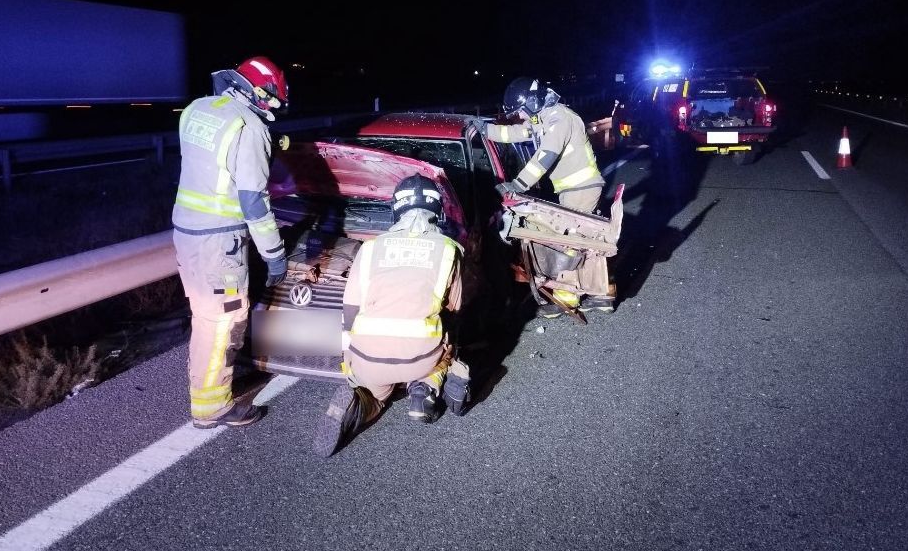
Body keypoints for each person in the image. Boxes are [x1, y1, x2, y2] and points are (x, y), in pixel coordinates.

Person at [313, 174, 470, 457]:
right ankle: (424, 389)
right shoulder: (449, 250)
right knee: (446, 346)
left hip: (368, 356)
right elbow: (455, 309)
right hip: (420, 357)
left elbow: (350, 308)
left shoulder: (370, 248)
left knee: (375, 396)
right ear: (437, 209)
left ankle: (358, 405)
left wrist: (349, 354)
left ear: (396, 209)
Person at [172, 56, 290, 428]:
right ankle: (211, 406)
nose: (273, 109)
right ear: (259, 92)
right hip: (219, 239)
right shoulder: (250, 127)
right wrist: (274, 255)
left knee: (205, 316)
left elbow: (212, 162)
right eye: (272, 100)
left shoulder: (197, 109)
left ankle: (206, 388)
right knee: (224, 319)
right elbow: (254, 202)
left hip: (186, 231)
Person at [479, 76, 614, 317]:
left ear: (531, 102)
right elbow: (516, 133)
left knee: (569, 246)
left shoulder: (560, 118)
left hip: (581, 190)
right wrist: (483, 128)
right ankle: (600, 294)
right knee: (577, 242)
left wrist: (517, 184)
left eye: (521, 111)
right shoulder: (545, 119)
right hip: (574, 190)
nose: (520, 116)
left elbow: (545, 155)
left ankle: (568, 298)